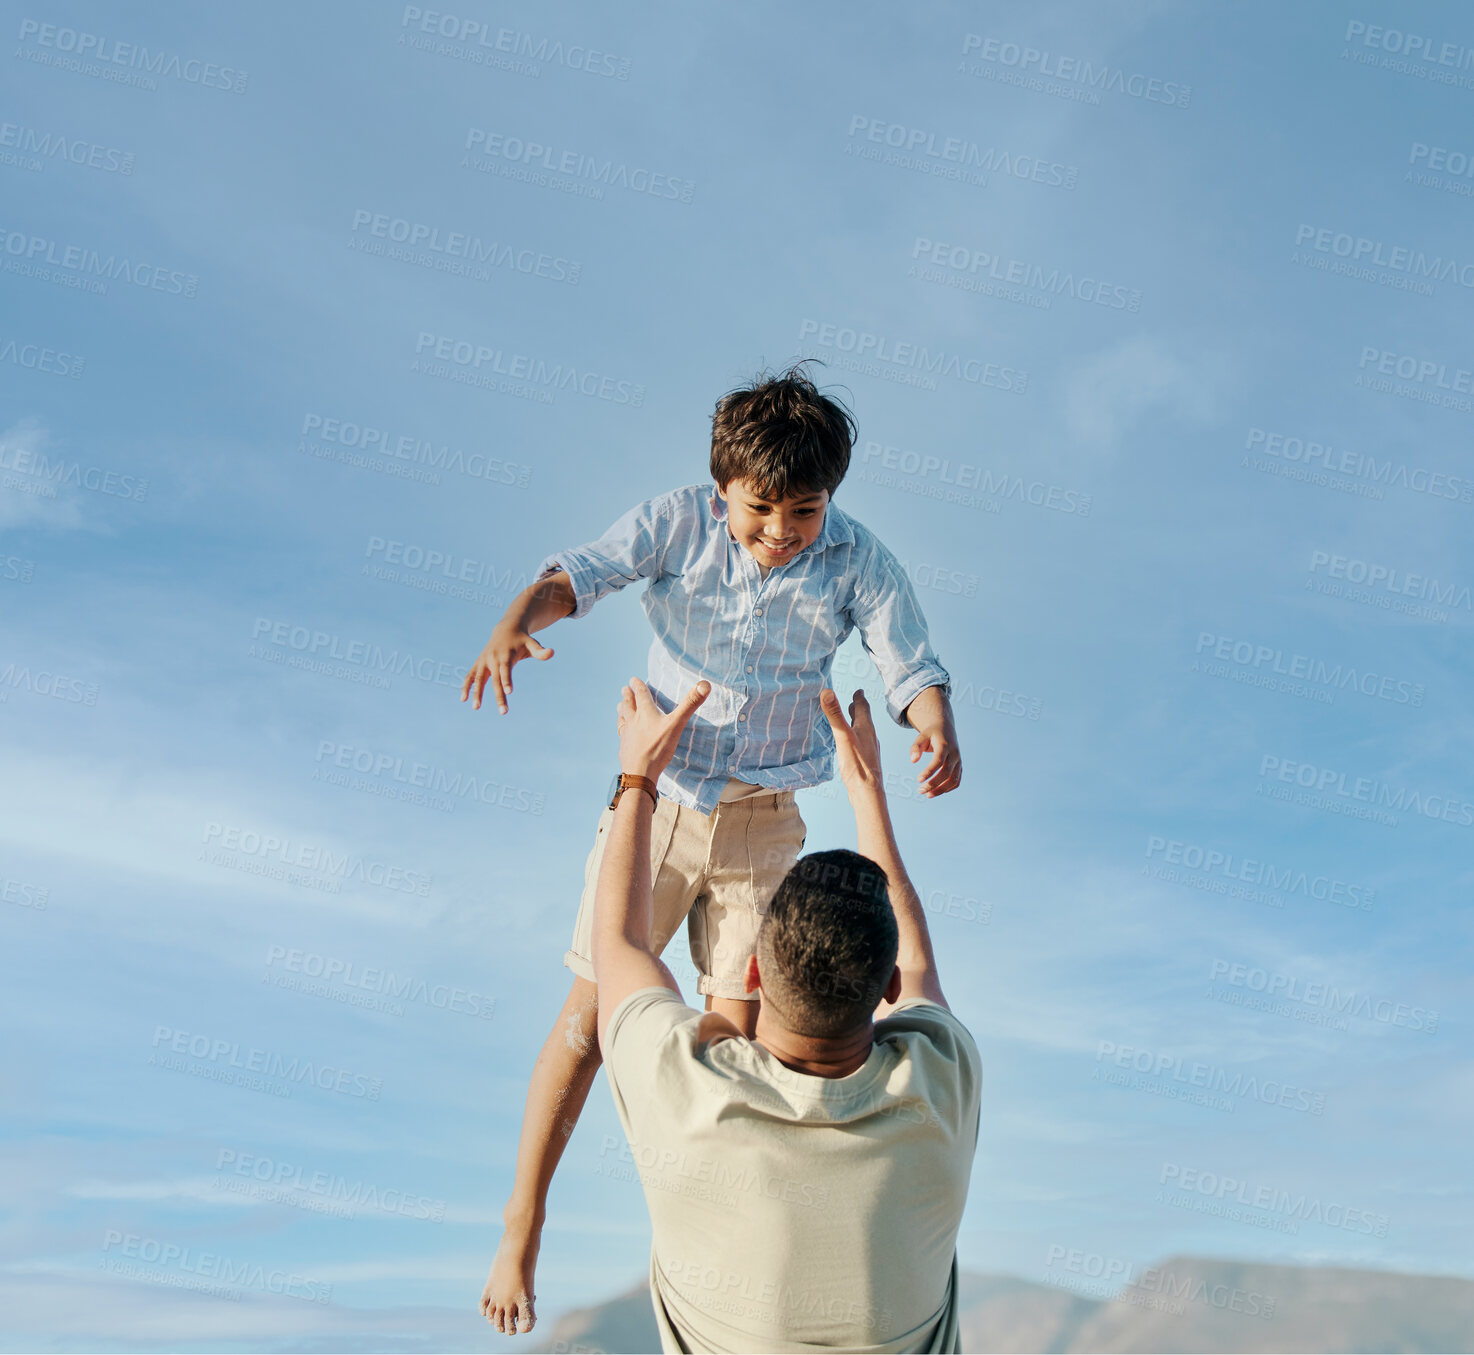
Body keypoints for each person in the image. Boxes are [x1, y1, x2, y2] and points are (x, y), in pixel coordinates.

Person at [463, 362, 963, 1334]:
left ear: (831, 500)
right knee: (589, 1017)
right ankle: (522, 1218)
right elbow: (581, 572)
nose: (780, 530)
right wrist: (514, 623)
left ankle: (732, 1248)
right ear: (720, 487)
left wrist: (931, 720)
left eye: (803, 510)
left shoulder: (855, 557)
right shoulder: (678, 524)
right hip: (663, 801)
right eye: (759, 508)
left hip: (766, 814)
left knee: (744, 1031)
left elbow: (908, 655)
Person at [593, 676, 981, 1353]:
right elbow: (919, 962)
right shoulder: (941, 1083)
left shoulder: (685, 1090)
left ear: (751, 973)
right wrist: (868, 792)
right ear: (885, 985)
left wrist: (640, 776)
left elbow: (621, 944)